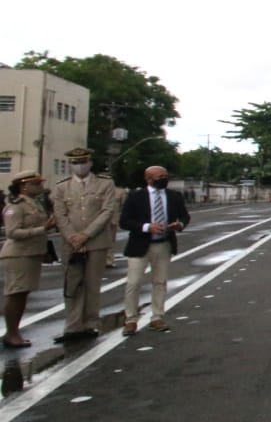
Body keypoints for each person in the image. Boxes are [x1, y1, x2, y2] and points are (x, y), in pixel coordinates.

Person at [49, 147, 118, 343]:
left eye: (83, 162)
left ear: (90, 162)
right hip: (70, 243)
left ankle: (90, 323)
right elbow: (60, 215)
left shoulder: (104, 184)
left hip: (96, 240)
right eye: (75, 163)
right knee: (72, 284)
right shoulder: (62, 187)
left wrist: (86, 235)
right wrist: (72, 237)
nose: (80, 166)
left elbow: (107, 211)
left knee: (92, 284)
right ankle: (72, 326)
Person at [119, 165, 191, 335]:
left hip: (164, 243)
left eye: (166, 175)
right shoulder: (136, 197)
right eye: (160, 176)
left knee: (160, 282)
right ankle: (130, 319)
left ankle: (157, 316)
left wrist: (179, 224)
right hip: (140, 244)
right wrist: (146, 227)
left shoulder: (174, 196)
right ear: (149, 179)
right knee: (134, 282)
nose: (164, 179)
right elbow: (124, 221)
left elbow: (184, 215)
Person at [2, 172, 56, 348]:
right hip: (18, 254)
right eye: (36, 183)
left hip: (31, 253)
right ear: (23, 186)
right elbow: (12, 232)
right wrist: (42, 229)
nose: (40, 186)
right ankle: (11, 333)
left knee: (23, 294)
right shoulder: (15, 205)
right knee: (16, 294)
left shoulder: (35, 203)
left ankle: (14, 331)